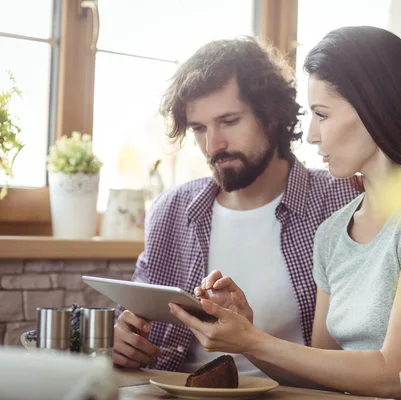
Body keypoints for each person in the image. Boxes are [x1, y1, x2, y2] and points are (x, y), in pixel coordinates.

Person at [168, 26, 401, 399]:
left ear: (373, 106)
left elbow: (396, 373)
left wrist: (256, 341)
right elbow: (321, 373)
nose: (312, 135)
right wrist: (246, 334)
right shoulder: (333, 232)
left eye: (322, 114)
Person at [112, 37, 362, 374]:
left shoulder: (339, 199)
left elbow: (361, 350)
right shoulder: (172, 209)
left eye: (229, 122)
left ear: (271, 116)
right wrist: (123, 341)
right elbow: (136, 320)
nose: (213, 145)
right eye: (199, 128)